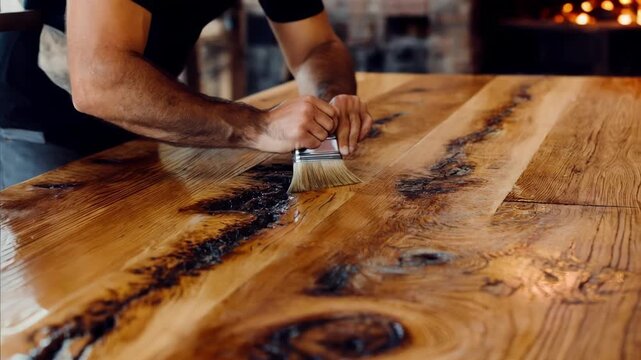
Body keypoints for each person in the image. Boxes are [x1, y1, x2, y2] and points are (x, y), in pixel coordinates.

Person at [0, 0, 372, 189]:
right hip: (37, 120)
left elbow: (317, 45)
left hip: (141, 119)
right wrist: (258, 126)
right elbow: (100, 82)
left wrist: (330, 102)